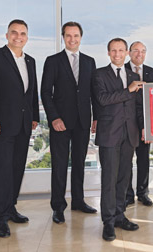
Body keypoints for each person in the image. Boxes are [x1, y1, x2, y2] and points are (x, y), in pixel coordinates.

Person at [0, 19, 39, 237]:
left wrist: (34, 117)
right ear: (7, 35)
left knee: (17, 169)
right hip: (2, 125)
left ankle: (11, 207)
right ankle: (0, 217)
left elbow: (32, 92)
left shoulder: (30, 61)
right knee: (2, 171)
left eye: (23, 33)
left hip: (24, 125)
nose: (18, 37)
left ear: (27, 37)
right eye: (14, 33)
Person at [41, 21, 97, 224]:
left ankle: (78, 201)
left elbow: (93, 93)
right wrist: (54, 118)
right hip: (60, 122)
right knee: (59, 164)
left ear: (81, 37)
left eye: (76, 36)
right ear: (63, 37)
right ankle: (58, 206)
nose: (72, 39)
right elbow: (46, 92)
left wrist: (96, 117)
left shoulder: (90, 62)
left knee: (79, 164)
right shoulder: (53, 61)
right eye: (68, 36)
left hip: (83, 120)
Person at [93, 38, 144, 241]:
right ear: (108, 53)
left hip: (129, 134)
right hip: (109, 134)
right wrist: (128, 90)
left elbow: (138, 106)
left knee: (124, 178)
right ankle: (108, 221)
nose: (117, 54)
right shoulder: (99, 75)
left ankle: (120, 215)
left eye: (121, 50)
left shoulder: (134, 75)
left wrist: (144, 129)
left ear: (127, 53)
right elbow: (103, 99)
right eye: (113, 50)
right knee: (109, 179)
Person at [125, 41, 153, 207]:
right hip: (126, 122)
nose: (139, 54)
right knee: (126, 160)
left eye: (143, 51)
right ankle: (127, 194)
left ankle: (143, 193)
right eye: (136, 51)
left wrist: (151, 125)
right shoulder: (121, 70)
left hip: (146, 123)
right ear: (129, 53)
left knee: (144, 159)